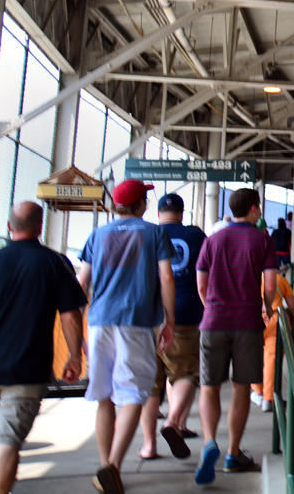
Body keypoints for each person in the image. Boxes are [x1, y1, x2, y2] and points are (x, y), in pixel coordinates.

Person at [77, 180, 176, 494]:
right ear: (140, 205)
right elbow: (166, 276)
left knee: (104, 396)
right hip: (136, 321)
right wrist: (169, 318)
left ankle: (107, 469)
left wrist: (79, 326)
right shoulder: (154, 233)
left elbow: (81, 283)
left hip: (99, 321)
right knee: (134, 393)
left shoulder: (97, 234)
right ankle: (113, 467)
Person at [0, 202, 86, 494]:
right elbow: (71, 314)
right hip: (27, 369)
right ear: (40, 227)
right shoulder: (54, 262)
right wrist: (75, 356)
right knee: (8, 442)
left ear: (9, 227)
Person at [194, 188, 277, 485]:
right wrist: (266, 308)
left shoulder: (212, 240)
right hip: (247, 323)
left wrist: (213, 309)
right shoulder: (263, 240)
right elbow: (269, 286)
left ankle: (209, 442)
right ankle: (232, 454)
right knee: (241, 387)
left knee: (209, 386)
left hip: (213, 321)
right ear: (254, 209)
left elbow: (201, 285)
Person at [139, 193, 205, 461]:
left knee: (150, 385)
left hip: (146, 316)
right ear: (182, 211)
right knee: (185, 374)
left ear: (157, 213)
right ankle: (173, 422)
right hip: (186, 314)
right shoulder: (196, 236)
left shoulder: (146, 235)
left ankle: (148, 446)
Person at [249, 273, 294, 413]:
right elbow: (292, 304)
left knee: (253, 357)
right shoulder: (279, 279)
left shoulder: (249, 277)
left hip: (252, 319)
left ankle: (257, 392)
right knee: (271, 359)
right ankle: (268, 399)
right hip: (275, 319)